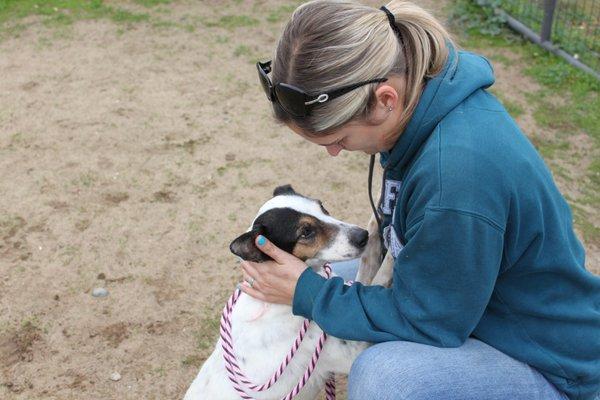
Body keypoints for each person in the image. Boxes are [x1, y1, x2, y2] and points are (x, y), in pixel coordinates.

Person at [238, 1, 600, 399]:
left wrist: (309, 293)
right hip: (474, 311)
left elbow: (431, 322)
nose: (335, 153)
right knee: (305, 278)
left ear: (385, 100)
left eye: (338, 140)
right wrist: (303, 287)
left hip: (548, 364)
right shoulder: (420, 102)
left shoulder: (457, 176)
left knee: (386, 378)